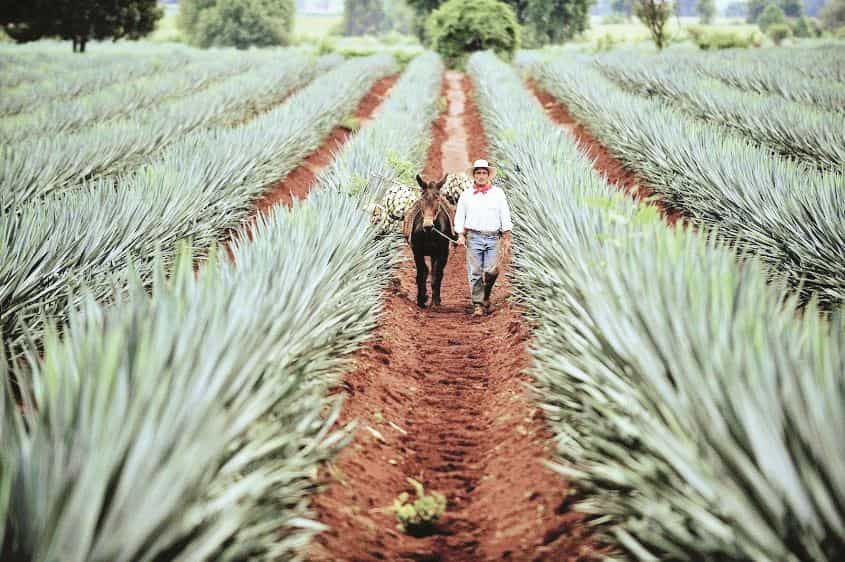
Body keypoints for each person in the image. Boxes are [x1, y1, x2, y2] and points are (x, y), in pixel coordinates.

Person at [454, 159, 513, 316]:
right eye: (478, 173)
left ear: (489, 175)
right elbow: (460, 216)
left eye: (484, 173)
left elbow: (504, 214)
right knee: (475, 272)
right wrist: (460, 234)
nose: (481, 176)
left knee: (492, 270)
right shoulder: (466, 195)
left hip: (493, 238)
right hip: (473, 237)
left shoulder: (498, 194)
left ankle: (486, 294)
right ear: (474, 175)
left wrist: (507, 235)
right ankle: (478, 304)